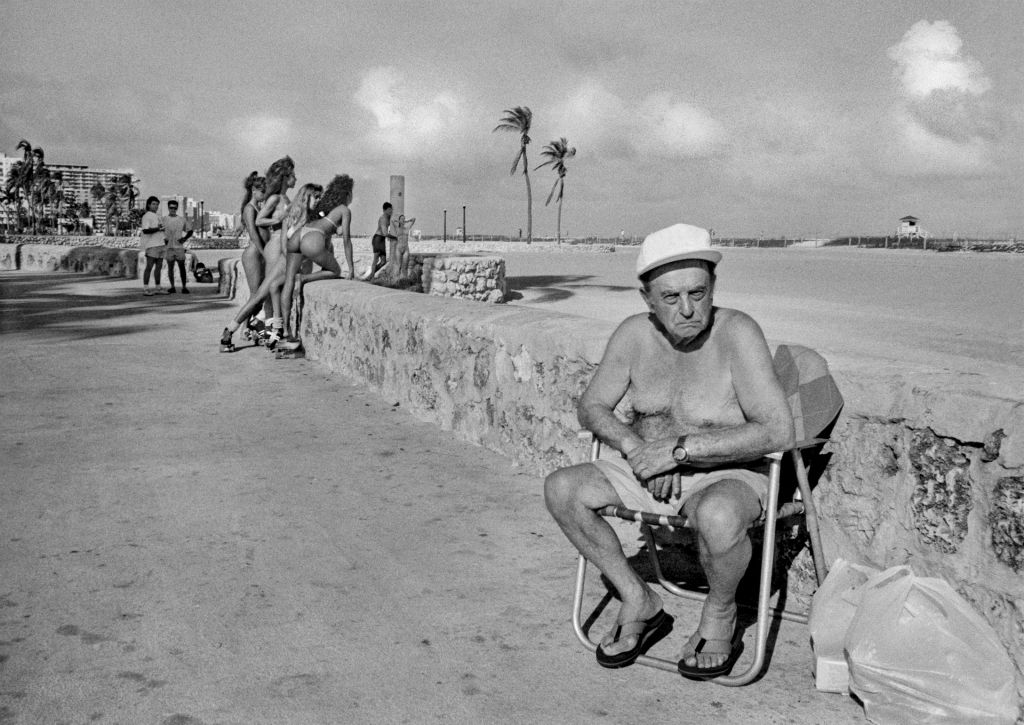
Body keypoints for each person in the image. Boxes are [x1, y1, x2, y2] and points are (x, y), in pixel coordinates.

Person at [543, 223, 794, 679]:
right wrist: (637, 448)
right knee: (562, 489)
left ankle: (720, 614)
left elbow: (777, 431)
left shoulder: (737, 333)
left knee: (718, 517)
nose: (687, 309)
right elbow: (592, 406)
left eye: (698, 293)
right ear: (648, 300)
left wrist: (679, 451)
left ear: (713, 286)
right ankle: (639, 597)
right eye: (671, 298)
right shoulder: (633, 335)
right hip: (644, 469)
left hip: (724, 474)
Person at [218, 183, 323, 353]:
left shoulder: (302, 217)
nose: (318, 200)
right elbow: (286, 244)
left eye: (319, 197)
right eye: (316, 196)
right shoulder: (297, 217)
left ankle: (247, 332)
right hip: (285, 263)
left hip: (288, 263)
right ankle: (233, 331)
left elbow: (295, 244)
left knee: (265, 295)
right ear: (306, 196)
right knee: (261, 296)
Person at [276, 174, 355, 351]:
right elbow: (346, 241)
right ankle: (304, 279)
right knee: (335, 271)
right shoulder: (343, 210)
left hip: (299, 235)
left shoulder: (324, 205)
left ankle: (286, 333)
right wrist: (351, 269)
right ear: (348, 193)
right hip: (313, 239)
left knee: (288, 281)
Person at [252, 156, 296, 344]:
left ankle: (270, 329)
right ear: (285, 177)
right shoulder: (275, 198)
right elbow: (259, 220)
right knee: (270, 289)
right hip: (275, 244)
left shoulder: (287, 198)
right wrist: (279, 220)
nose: (296, 179)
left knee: (275, 287)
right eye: (293, 175)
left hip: (283, 244)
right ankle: (269, 330)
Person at [239, 172, 269, 337]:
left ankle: (249, 324)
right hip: (254, 254)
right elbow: (253, 233)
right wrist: (265, 253)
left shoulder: (259, 208)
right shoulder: (249, 208)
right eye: (263, 192)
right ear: (254, 190)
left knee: (261, 294)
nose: (264, 195)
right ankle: (242, 327)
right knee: (255, 295)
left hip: (260, 253)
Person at [162, 199, 193, 293]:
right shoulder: (164, 219)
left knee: (182, 267)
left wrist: (184, 239)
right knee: (170, 267)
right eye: (171, 208)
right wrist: (163, 240)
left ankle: (184, 287)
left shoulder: (181, 219)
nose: (173, 210)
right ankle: (172, 287)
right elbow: (158, 231)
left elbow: (190, 231)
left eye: (175, 208)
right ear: (168, 208)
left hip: (179, 247)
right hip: (169, 247)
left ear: (177, 208)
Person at [139, 196, 167, 295]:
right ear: (149, 205)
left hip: (160, 244)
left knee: (159, 267)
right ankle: (146, 288)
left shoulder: (157, 216)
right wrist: (158, 229)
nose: (155, 206)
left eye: (157, 204)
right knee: (149, 267)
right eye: (153, 204)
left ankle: (158, 288)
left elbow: (160, 229)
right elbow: (145, 230)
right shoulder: (147, 216)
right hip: (151, 245)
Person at [365, 202, 393, 279]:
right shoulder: (383, 218)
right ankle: (371, 277)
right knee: (376, 259)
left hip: (382, 240)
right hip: (378, 239)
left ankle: (370, 275)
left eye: (391, 209)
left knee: (383, 261)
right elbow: (384, 233)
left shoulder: (389, 217)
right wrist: (394, 237)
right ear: (384, 210)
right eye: (389, 209)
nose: (391, 211)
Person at [392, 213, 416, 279]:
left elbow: (414, 219)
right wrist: (400, 221)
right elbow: (393, 220)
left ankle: (404, 280)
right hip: (398, 248)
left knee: (405, 266)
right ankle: (396, 280)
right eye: (402, 218)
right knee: (398, 265)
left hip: (406, 248)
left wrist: (406, 221)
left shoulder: (407, 228)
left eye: (404, 218)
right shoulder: (397, 227)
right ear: (399, 220)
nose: (403, 219)